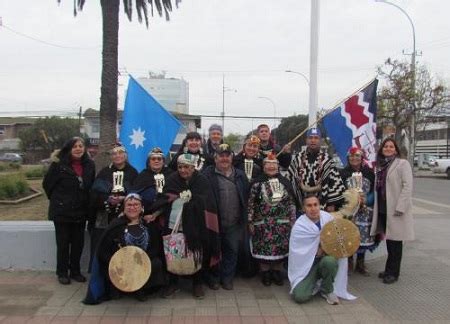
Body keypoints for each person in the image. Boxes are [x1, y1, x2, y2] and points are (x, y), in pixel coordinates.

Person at [147, 153, 221, 299]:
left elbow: (207, 201)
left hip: (196, 225)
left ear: (193, 168)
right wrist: (156, 213)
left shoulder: (202, 180)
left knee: (197, 253)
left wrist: (192, 199)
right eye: (180, 167)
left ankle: (197, 284)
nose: (182, 170)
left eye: (186, 167)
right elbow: (165, 199)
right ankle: (173, 283)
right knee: (173, 252)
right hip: (174, 224)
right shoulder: (172, 179)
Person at [83, 193, 166, 304]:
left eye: (136, 205)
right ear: (124, 208)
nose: (132, 208)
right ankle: (118, 287)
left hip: (142, 263)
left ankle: (141, 287)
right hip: (120, 265)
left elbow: (156, 248)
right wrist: (118, 261)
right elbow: (103, 251)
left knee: (156, 263)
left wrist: (142, 259)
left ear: (142, 208)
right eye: (129, 205)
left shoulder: (148, 225)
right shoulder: (116, 225)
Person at [43, 137, 95, 285]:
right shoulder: (58, 165)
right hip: (62, 212)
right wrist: (59, 200)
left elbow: (90, 186)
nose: (78, 149)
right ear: (68, 149)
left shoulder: (89, 165)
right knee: (63, 244)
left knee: (78, 244)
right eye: (75, 146)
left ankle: (75, 271)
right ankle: (62, 272)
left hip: (80, 211)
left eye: (81, 146)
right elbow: (47, 185)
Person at [288, 195, 356, 305]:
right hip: (307, 268)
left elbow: (339, 239)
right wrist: (315, 251)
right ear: (304, 208)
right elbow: (297, 254)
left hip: (325, 260)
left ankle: (327, 289)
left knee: (330, 261)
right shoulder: (299, 226)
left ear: (319, 205)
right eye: (309, 206)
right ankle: (316, 282)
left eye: (315, 205)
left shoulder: (328, 219)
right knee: (300, 296)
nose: (313, 208)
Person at [203, 144, 249, 290]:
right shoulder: (207, 175)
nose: (224, 158)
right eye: (221, 155)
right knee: (213, 251)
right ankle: (213, 278)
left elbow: (247, 197)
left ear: (231, 157)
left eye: (227, 155)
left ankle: (227, 278)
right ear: (215, 158)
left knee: (232, 251)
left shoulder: (240, 175)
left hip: (234, 222)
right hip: (213, 223)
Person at [247, 152, 297, 286]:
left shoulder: (285, 182)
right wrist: (250, 221)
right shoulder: (256, 184)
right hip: (262, 223)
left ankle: (276, 272)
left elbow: (291, 202)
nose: (271, 167)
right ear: (263, 167)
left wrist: (292, 220)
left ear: (278, 167)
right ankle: (265, 273)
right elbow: (251, 203)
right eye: (268, 165)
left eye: (273, 165)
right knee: (263, 248)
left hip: (282, 224)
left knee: (280, 249)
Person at [371, 138, 414, 284]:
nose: (388, 148)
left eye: (391, 146)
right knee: (389, 241)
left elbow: (407, 186)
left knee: (396, 243)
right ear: (382, 149)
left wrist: (401, 207)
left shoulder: (402, 164)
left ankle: (394, 273)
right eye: (385, 146)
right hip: (384, 208)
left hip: (396, 209)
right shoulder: (381, 165)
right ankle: (389, 269)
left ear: (395, 149)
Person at [88, 144, 138, 267]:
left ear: (126, 155)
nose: (117, 156)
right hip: (104, 216)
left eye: (120, 153)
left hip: (124, 216)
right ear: (111, 156)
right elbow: (94, 195)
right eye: (114, 153)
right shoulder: (104, 172)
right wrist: (107, 199)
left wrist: (124, 199)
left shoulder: (133, 173)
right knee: (102, 247)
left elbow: (136, 194)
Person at [287, 127, 346, 212]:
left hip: (323, 205)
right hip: (301, 205)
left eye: (316, 138)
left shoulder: (327, 159)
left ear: (320, 140)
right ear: (306, 140)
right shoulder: (298, 158)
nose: (313, 140)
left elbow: (335, 182)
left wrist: (331, 203)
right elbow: (289, 178)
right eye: (310, 138)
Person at [340, 147, 377, 275]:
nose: (354, 159)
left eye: (357, 156)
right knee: (349, 235)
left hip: (364, 211)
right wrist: (350, 201)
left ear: (362, 158)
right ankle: (349, 261)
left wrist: (366, 200)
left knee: (363, 236)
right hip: (349, 211)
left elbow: (373, 191)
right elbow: (339, 191)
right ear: (348, 159)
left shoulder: (369, 173)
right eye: (351, 157)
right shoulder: (343, 173)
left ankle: (361, 263)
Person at [132, 147, 173, 213]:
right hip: (147, 209)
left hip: (167, 208)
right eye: (153, 159)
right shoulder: (143, 175)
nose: (156, 161)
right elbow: (135, 193)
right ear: (149, 162)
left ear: (163, 162)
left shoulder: (171, 174)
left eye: (159, 159)